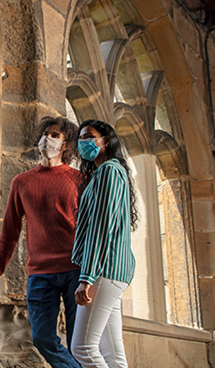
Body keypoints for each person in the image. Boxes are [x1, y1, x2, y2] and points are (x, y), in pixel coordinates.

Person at [0, 116, 83, 368]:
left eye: (54, 135)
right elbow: (10, 231)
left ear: (65, 145)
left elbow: (93, 226)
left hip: (77, 269)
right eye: (45, 134)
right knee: (42, 338)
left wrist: (94, 272)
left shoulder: (79, 179)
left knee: (79, 344)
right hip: (40, 274)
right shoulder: (22, 182)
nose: (47, 139)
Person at [70, 119, 138, 368]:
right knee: (112, 351)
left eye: (89, 136)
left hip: (104, 270)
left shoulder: (109, 171)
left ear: (106, 141)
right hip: (114, 271)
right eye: (81, 138)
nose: (84, 142)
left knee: (83, 347)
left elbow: (102, 226)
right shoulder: (106, 172)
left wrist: (86, 277)